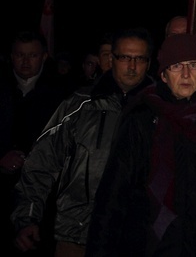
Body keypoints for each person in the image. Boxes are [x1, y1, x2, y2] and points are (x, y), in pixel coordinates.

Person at [85, 33, 196, 257]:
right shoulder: (144, 118)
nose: (185, 74)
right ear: (163, 75)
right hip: (155, 245)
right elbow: (113, 195)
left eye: (193, 65)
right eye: (176, 66)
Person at [11, 27, 156, 257]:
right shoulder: (80, 105)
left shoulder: (160, 111)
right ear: (111, 58)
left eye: (139, 59)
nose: (132, 65)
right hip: (78, 236)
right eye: (124, 57)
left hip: (136, 239)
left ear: (148, 63)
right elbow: (41, 163)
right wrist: (28, 217)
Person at [1, 30, 66, 256]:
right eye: (20, 55)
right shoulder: (1, 88)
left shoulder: (62, 95)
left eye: (33, 55)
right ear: (11, 56)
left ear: (44, 57)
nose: (26, 62)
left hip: (42, 197)